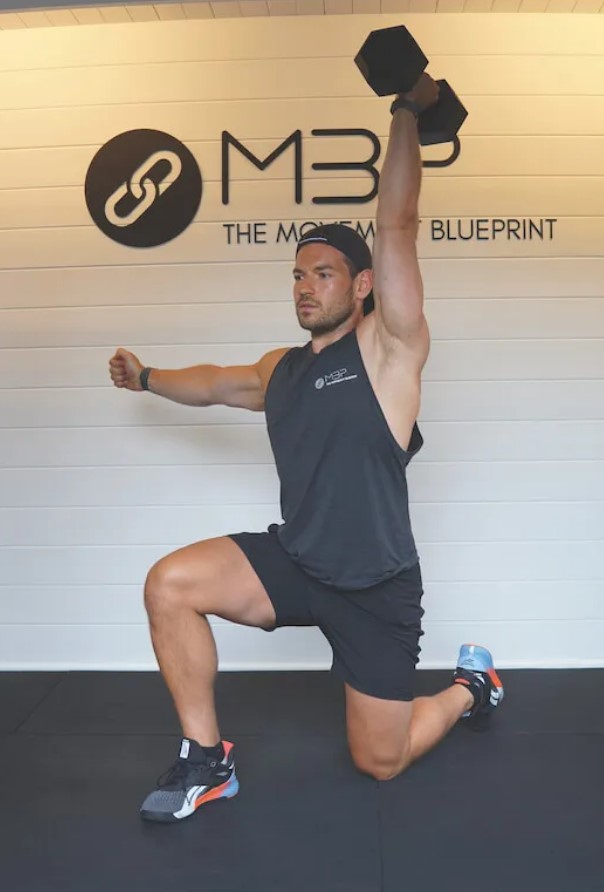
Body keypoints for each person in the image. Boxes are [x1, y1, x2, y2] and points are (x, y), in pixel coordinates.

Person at [109, 73, 503, 824]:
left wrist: (405, 113)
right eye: (297, 275)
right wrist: (150, 377)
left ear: (360, 287)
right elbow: (218, 385)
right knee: (169, 584)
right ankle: (206, 760)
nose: (304, 287)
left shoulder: (389, 353)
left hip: (375, 587)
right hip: (299, 559)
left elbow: (396, 225)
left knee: (379, 763)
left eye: (321, 274)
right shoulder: (281, 369)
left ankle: (469, 688)